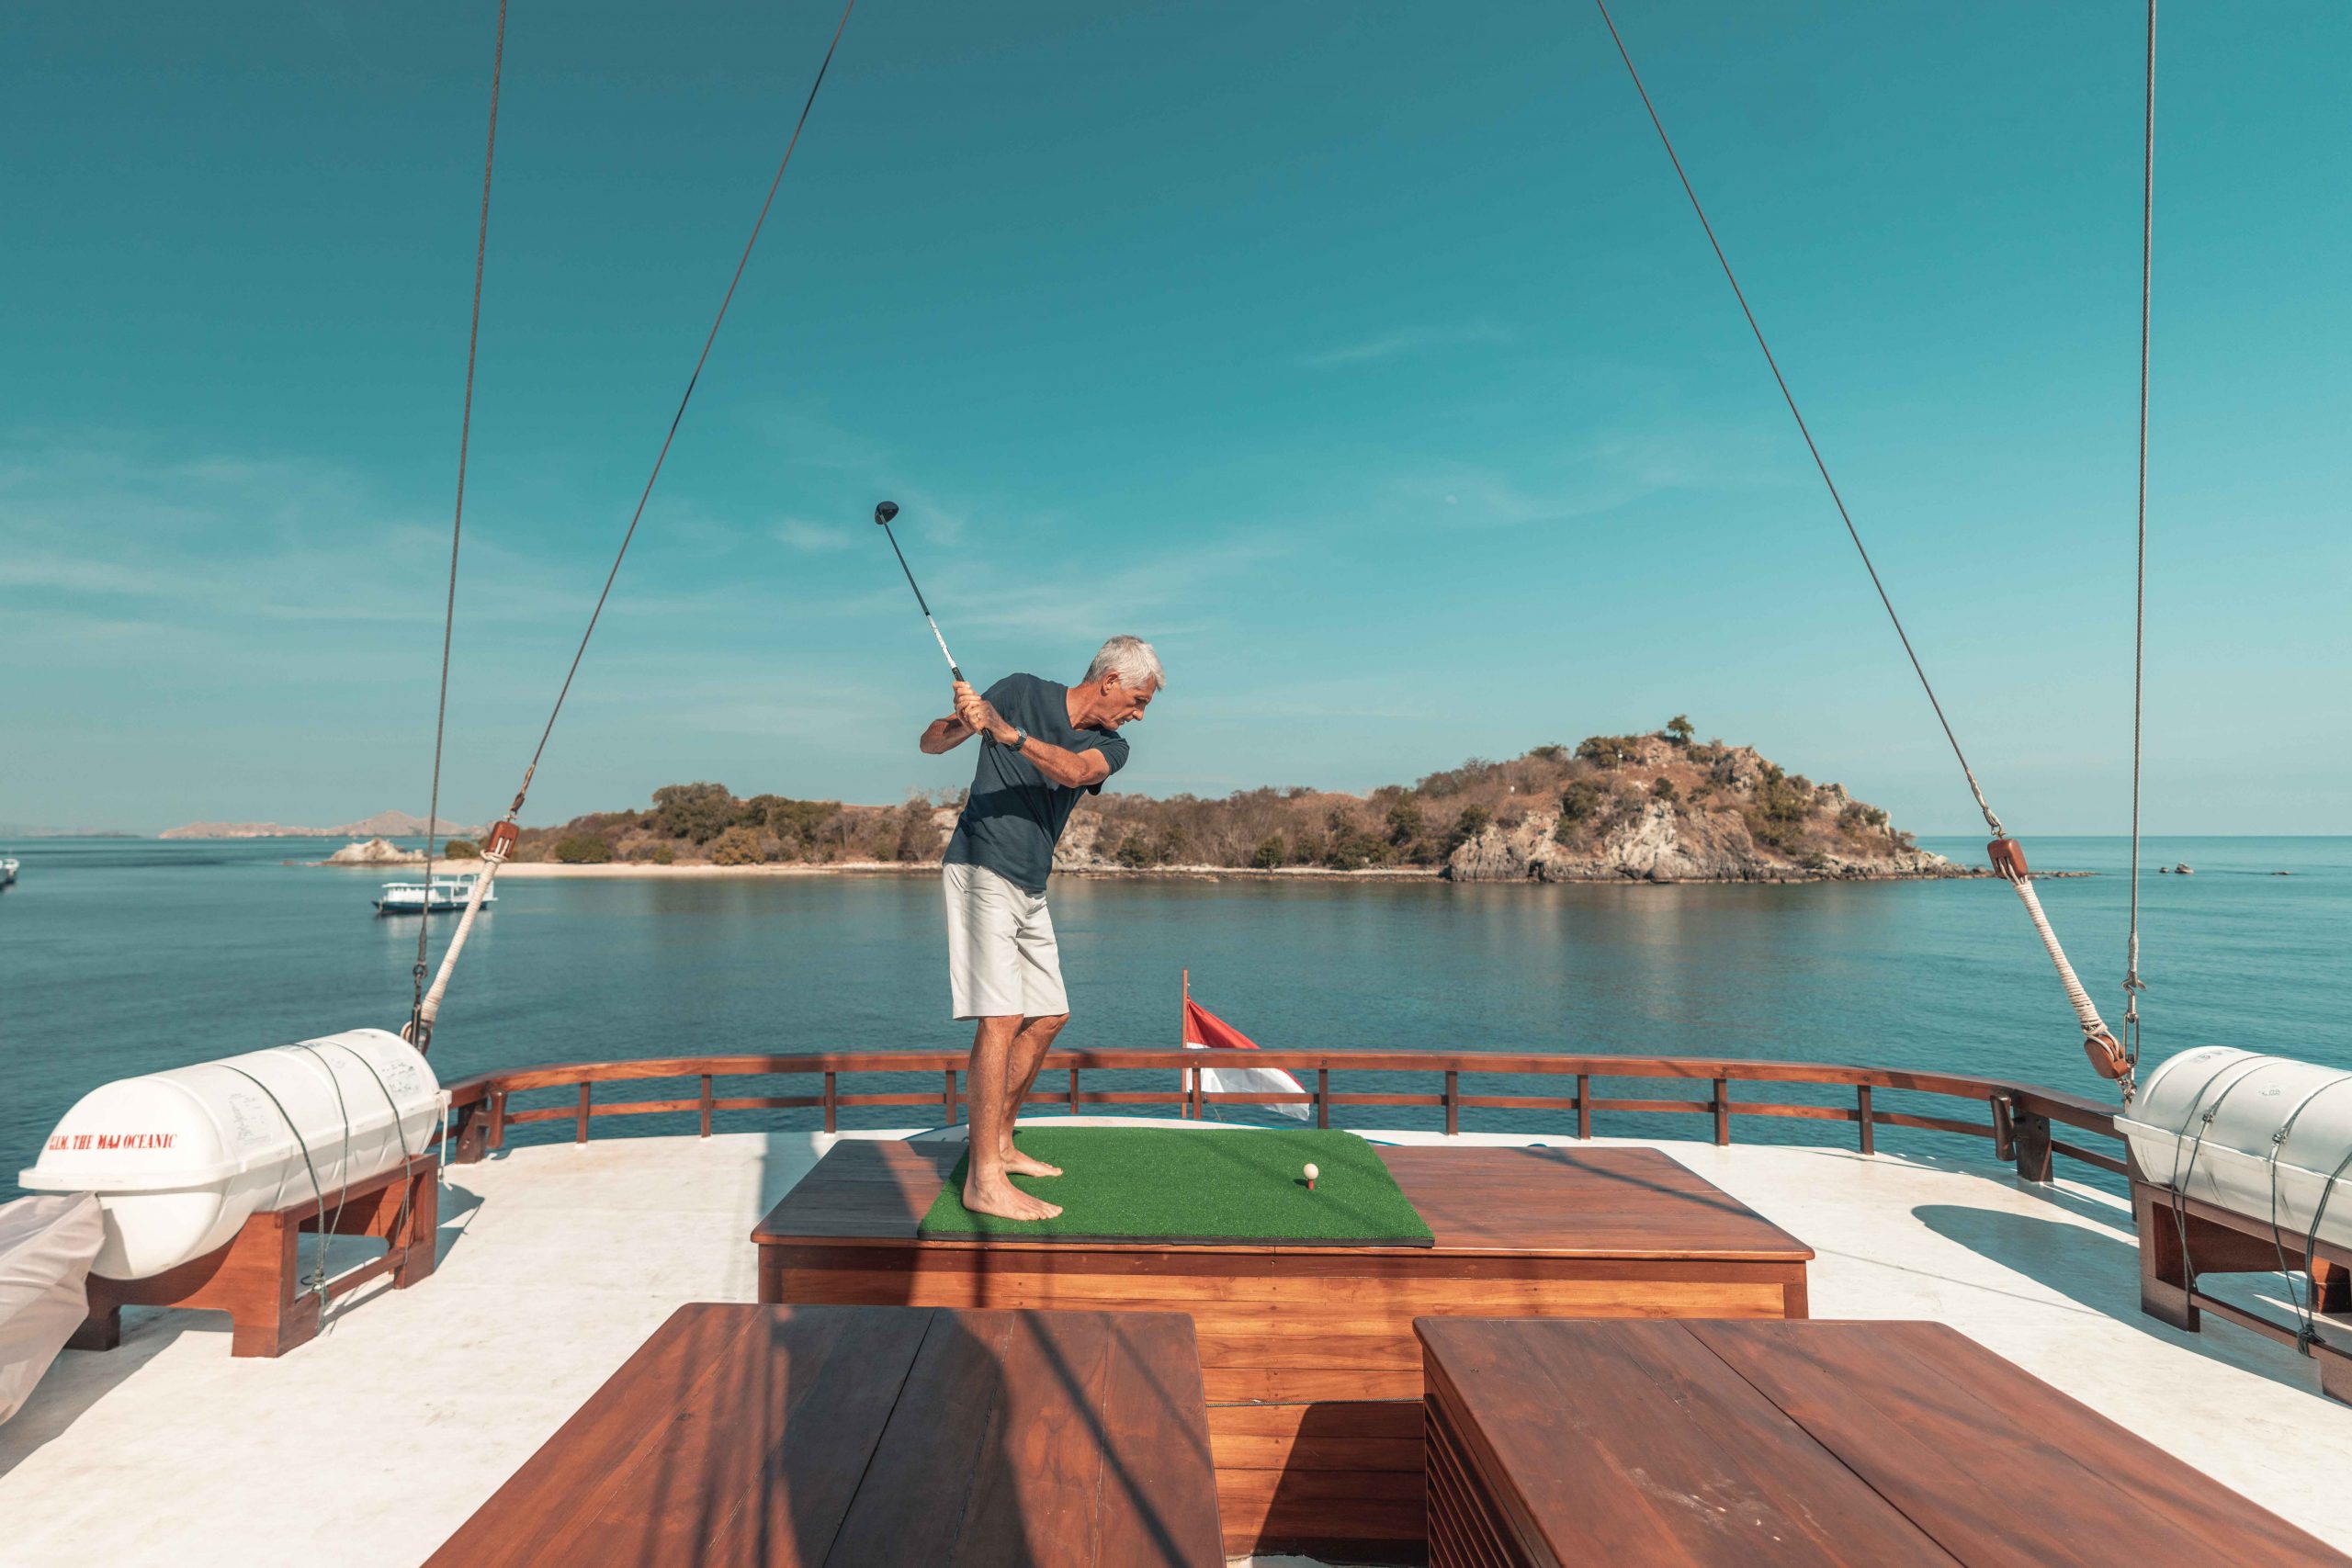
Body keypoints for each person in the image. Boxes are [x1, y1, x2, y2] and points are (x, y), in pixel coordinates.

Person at [919, 635, 1164, 1221]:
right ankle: (983, 1180)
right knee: (1001, 1017)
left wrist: (1009, 734)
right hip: (980, 865)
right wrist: (966, 721)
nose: (1138, 714)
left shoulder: (1111, 746)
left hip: (1030, 885)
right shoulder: (1020, 689)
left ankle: (1001, 1145)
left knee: (1049, 1015)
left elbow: (1075, 771)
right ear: (1110, 681)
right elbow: (931, 743)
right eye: (1138, 701)